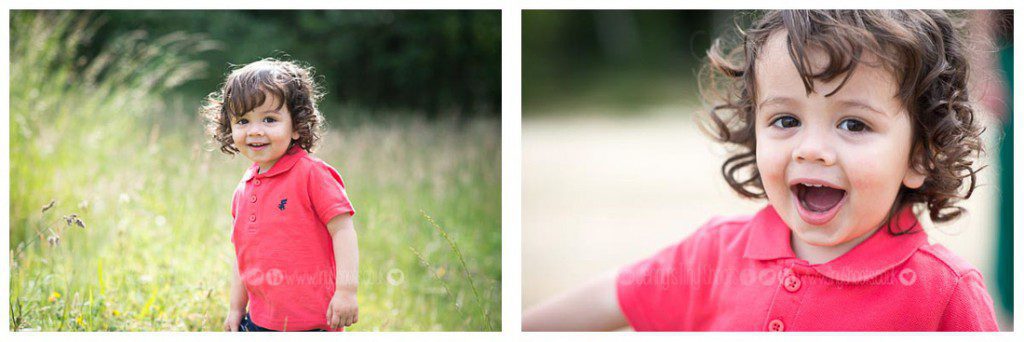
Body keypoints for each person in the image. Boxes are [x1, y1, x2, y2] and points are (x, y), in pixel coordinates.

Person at [523, 10, 998, 331]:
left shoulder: (943, 295)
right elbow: (613, 298)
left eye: (853, 124)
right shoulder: (717, 254)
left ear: (918, 155)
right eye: (786, 120)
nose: (811, 150)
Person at [202, 58, 359, 332]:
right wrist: (236, 308)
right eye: (243, 120)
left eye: (269, 119)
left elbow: (343, 231)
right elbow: (243, 257)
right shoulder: (244, 188)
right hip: (258, 321)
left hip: (313, 323)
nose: (255, 130)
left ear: (297, 125)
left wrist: (346, 291)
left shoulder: (312, 175)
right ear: (230, 127)